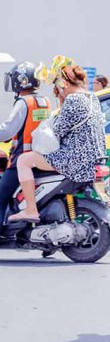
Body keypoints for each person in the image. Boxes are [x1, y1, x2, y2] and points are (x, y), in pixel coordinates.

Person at [8, 64, 105, 222]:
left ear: (65, 84)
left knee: (23, 160)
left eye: (59, 88)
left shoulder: (73, 99)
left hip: (74, 159)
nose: (60, 92)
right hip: (93, 158)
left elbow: (57, 132)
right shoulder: (91, 97)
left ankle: (31, 210)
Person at [0, 62, 51, 225]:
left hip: (21, 159)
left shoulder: (24, 102)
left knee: (1, 197)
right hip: (40, 157)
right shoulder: (44, 100)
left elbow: (7, 130)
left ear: (19, 81)